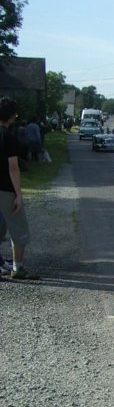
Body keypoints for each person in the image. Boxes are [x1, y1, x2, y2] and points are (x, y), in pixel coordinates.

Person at [0, 97, 39, 280]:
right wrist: (18, 194)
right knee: (19, 229)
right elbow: (13, 167)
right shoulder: (9, 137)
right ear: (12, 116)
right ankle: (18, 268)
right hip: (5, 189)